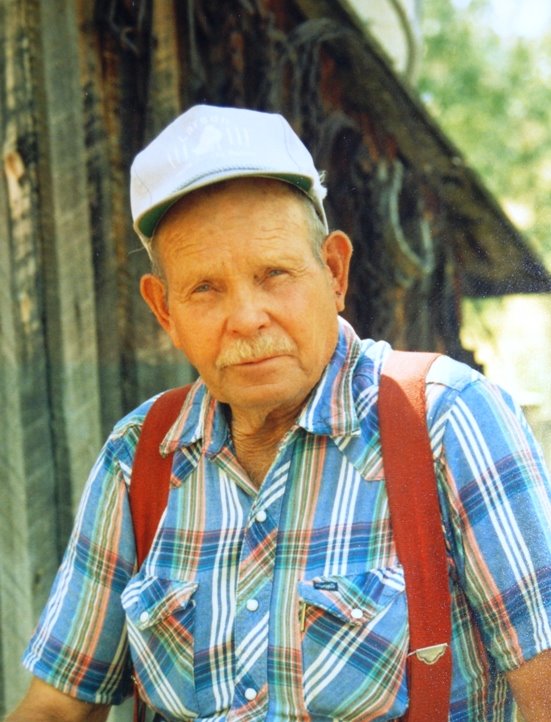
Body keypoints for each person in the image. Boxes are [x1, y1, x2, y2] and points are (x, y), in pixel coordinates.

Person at [5, 105, 551, 722]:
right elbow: (55, 708)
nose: (246, 317)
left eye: (275, 274)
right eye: (204, 289)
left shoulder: (446, 421)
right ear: (164, 313)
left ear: (334, 272)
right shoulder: (140, 455)